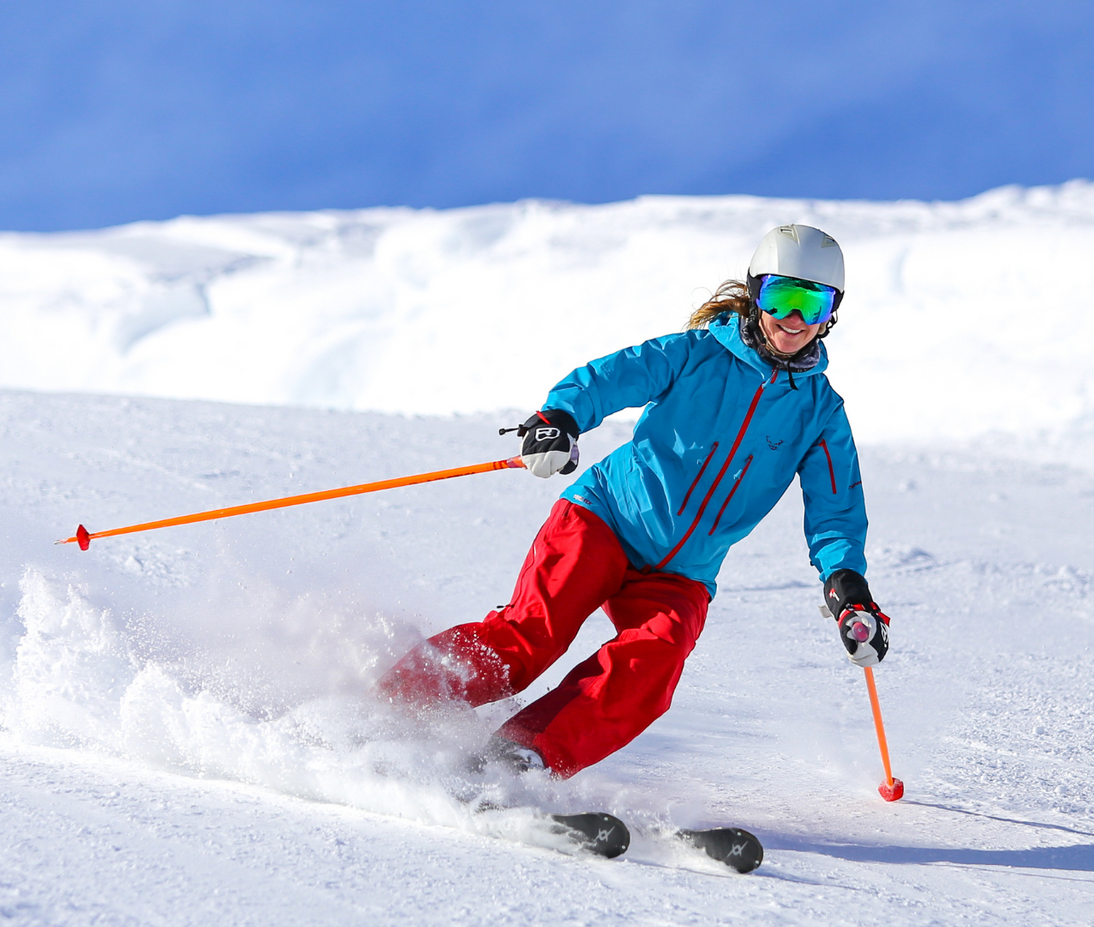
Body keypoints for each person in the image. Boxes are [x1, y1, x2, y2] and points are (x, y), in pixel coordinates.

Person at [376, 224, 889, 777]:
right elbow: (611, 378)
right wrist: (561, 419)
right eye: (780, 297)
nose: (794, 319)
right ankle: (386, 703)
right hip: (605, 519)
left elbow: (835, 509)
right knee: (529, 639)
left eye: (811, 303)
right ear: (754, 293)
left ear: (831, 313)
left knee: (651, 664)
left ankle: (517, 761)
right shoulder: (694, 354)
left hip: (683, 572)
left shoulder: (820, 412)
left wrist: (847, 585)